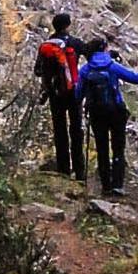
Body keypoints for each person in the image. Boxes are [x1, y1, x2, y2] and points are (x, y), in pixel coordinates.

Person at [75, 37, 138, 196]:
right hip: (116, 111)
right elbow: (136, 78)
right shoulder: (112, 66)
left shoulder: (85, 70)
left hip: (96, 113)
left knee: (102, 148)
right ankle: (117, 185)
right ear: (105, 48)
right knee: (118, 148)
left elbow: (78, 95)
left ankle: (105, 186)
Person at [34, 11, 86, 181]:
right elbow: (90, 53)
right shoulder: (74, 43)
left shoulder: (45, 45)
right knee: (76, 130)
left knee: (59, 130)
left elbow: (37, 71)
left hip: (55, 94)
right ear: (68, 25)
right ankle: (80, 172)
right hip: (73, 93)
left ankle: (63, 170)